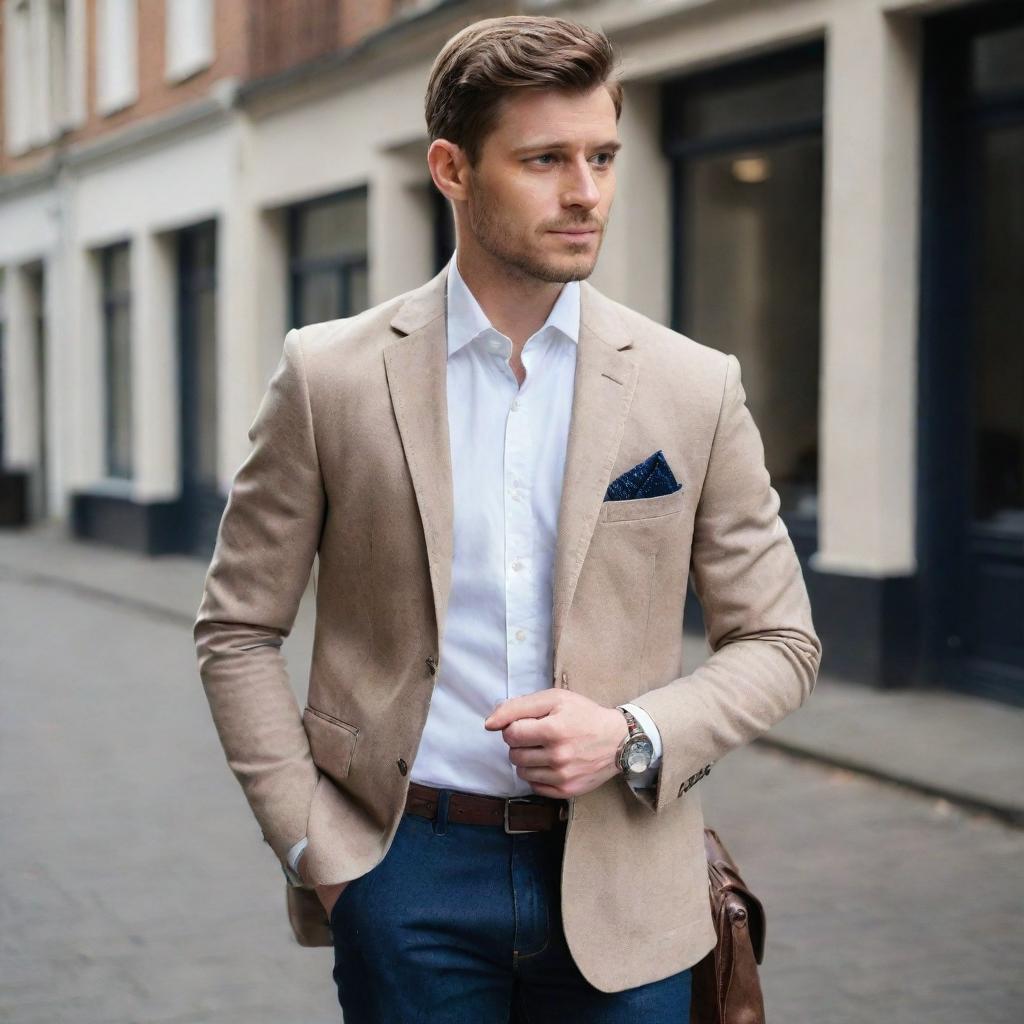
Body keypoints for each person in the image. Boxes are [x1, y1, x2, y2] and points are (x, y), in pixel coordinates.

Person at [193, 14, 821, 1023]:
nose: (585, 193)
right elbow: (235, 628)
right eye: (544, 160)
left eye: (601, 156)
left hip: (630, 880)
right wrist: (317, 847)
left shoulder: (691, 386)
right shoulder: (331, 375)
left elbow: (781, 639)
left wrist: (632, 732)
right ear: (451, 167)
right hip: (409, 878)